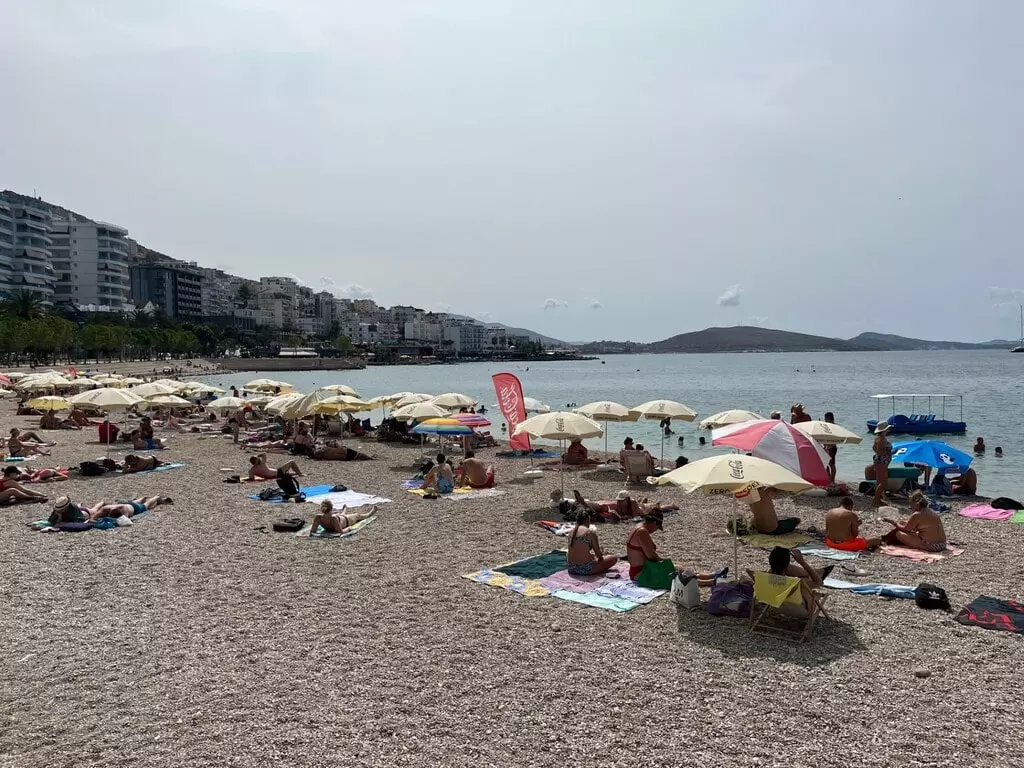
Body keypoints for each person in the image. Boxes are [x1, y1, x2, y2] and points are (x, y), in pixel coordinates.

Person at [765, 547, 832, 613]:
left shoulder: (764, 578)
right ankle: (817, 572)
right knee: (805, 583)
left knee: (788, 569)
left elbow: (780, 568)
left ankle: (817, 572)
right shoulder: (795, 583)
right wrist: (802, 562)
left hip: (774, 605)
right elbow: (820, 583)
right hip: (801, 609)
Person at [881, 490, 947, 551]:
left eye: (911, 504)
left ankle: (885, 540)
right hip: (943, 544)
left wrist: (893, 523)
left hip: (932, 545)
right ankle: (886, 539)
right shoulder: (930, 510)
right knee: (902, 523)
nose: (910, 507)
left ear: (916, 503)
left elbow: (906, 529)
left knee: (898, 534)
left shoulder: (917, 514)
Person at [566, 509, 618, 576]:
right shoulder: (589, 533)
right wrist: (601, 553)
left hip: (571, 568)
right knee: (613, 558)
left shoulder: (571, 532)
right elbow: (599, 555)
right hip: (585, 569)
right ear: (588, 520)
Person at [625, 511, 674, 581]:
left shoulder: (638, 527)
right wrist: (665, 562)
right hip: (641, 573)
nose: (655, 530)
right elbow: (652, 557)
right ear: (654, 523)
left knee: (677, 570)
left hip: (637, 571)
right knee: (678, 571)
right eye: (657, 527)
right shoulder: (642, 531)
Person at [309, 501, 376, 536]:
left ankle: (344, 510)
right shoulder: (333, 518)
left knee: (341, 515)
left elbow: (312, 531)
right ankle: (369, 514)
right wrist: (349, 528)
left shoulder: (318, 517)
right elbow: (341, 532)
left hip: (343, 519)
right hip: (345, 520)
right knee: (357, 515)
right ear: (331, 508)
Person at [83, 495, 173, 520]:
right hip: (127, 504)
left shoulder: (123, 511)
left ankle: (156, 497)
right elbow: (93, 518)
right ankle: (143, 498)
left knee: (146, 505)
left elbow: (124, 521)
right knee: (133, 502)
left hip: (136, 508)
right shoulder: (106, 508)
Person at [871, 422, 892, 507]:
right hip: (881, 461)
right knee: (883, 482)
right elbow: (879, 450)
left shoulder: (878, 438)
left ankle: (877, 500)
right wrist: (888, 453)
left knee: (880, 481)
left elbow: (874, 448)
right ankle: (875, 500)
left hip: (880, 461)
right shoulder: (882, 439)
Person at [823, 412, 838, 484]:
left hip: (831, 448)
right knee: (825, 464)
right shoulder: (827, 426)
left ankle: (832, 480)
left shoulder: (833, 426)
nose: (825, 420)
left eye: (825, 418)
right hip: (827, 448)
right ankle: (829, 479)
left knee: (832, 465)